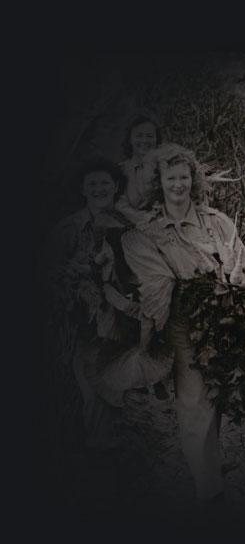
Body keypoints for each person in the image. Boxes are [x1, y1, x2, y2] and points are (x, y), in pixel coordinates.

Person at [121, 143, 245, 503]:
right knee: (194, 400)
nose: (178, 185)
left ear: (194, 180)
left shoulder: (216, 222)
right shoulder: (149, 232)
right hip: (184, 322)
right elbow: (155, 284)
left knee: (216, 395)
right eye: (171, 178)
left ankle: (209, 466)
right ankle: (209, 492)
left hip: (226, 318)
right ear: (159, 183)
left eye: (184, 177)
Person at [43, 158, 139, 452]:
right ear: (83, 190)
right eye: (92, 184)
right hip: (82, 320)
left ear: (116, 187)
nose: (99, 189)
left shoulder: (126, 222)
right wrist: (82, 278)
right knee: (93, 382)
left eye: (105, 183)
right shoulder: (70, 227)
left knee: (117, 380)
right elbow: (47, 271)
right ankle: (100, 450)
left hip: (122, 316)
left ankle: (117, 443)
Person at [116, 113, 162, 224]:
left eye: (149, 136)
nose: (144, 141)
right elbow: (119, 204)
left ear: (156, 139)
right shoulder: (120, 171)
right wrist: (144, 219)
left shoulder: (165, 168)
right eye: (139, 136)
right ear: (130, 139)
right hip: (128, 226)